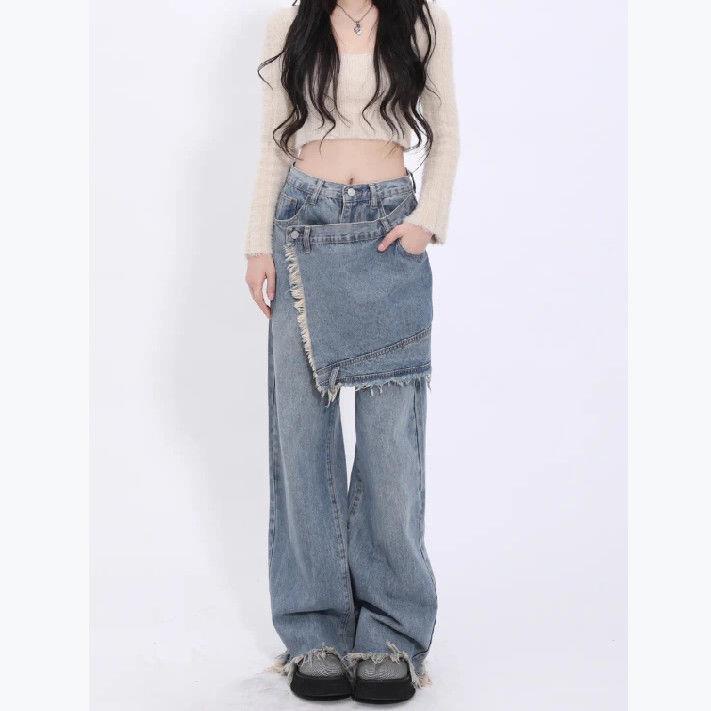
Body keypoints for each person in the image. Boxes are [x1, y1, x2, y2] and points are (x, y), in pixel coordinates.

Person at [244, 0, 458, 703]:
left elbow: (448, 131)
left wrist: (427, 219)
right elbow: (273, 141)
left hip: (389, 229)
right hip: (302, 226)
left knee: (392, 444)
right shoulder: (290, 22)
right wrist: (255, 245)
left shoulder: (421, 19)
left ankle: (392, 634)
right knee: (302, 438)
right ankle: (314, 631)